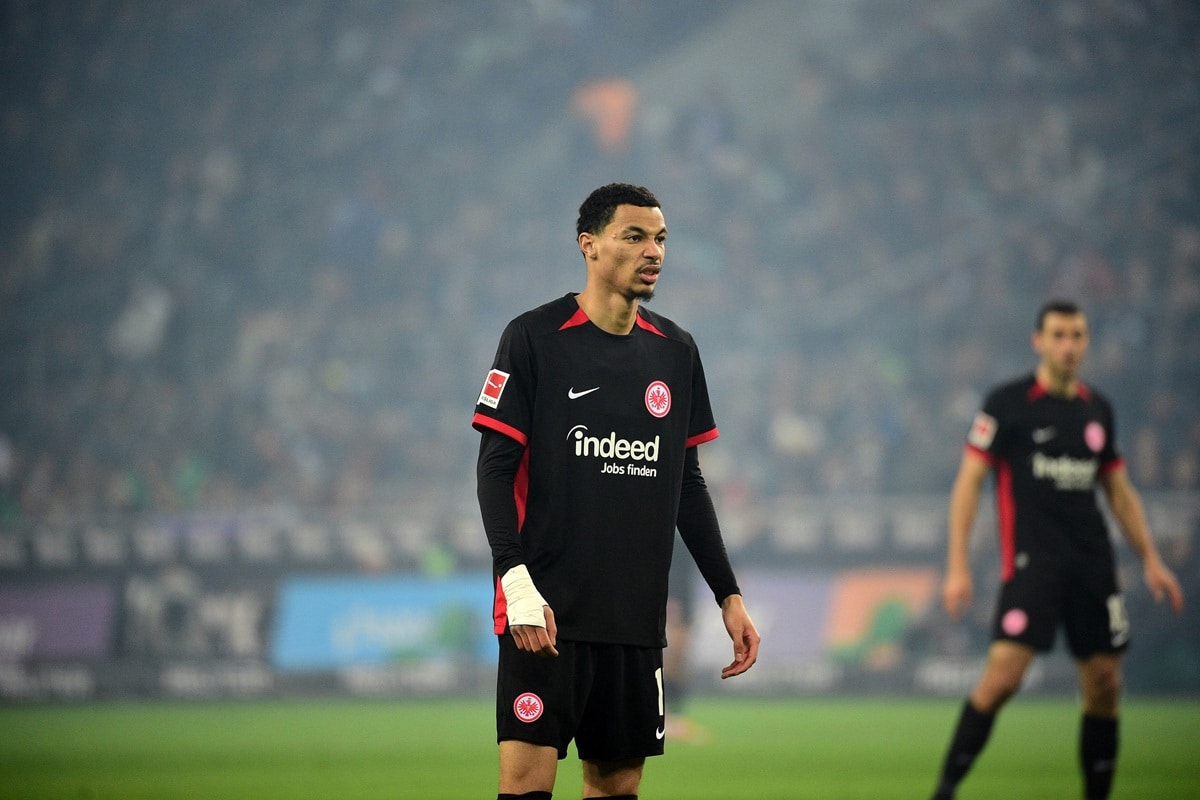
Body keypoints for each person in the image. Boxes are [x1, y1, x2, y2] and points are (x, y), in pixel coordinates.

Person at [473, 183, 760, 800]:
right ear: (590, 246)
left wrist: (728, 595)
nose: (652, 250)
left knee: (617, 791)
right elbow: (494, 471)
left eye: (660, 239)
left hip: (633, 620)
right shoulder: (532, 338)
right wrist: (514, 581)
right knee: (525, 788)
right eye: (634, 236)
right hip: (544, 617)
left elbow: (688, 484)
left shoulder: (677, 352)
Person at [928, 299, 1185, 800]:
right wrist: (957, 565)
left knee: (1105, 683)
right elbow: (970, 482)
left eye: (1078, 336)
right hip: (1031, 564)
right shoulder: (1007, 403)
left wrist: (1152, 560)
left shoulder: (1097, 410)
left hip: (1092, 564)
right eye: (1059, 335)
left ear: (1086, 343)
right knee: (1002, 677)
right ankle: (944, 791)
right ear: (1038, 341)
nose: (1069, 345)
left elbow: (1118, 491)